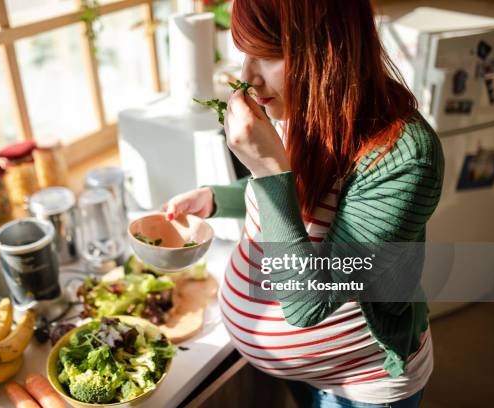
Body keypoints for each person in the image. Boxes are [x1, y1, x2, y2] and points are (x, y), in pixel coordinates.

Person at [162, 0, 444, 407]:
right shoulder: (298, 104)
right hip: (303, 369)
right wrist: (216, 199)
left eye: (268, 54)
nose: (247, 77)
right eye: (245, 51)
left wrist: (267, 170)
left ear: (329, 49)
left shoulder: (405, 156)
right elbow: (301, 199)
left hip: (360, 383)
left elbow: (307, 306)